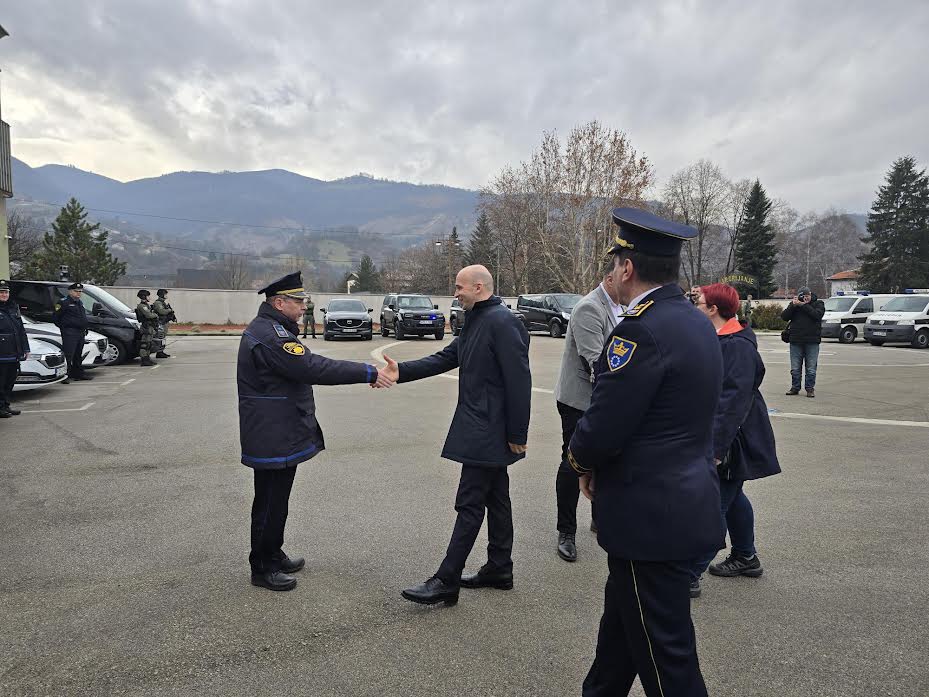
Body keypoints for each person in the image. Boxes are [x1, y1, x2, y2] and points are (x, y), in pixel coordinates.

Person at [567, 208, 724, 697]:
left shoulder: (638, 330)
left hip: (649, 519)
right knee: (617, 643)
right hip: (679, 506)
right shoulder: (695, 322)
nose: (612, 272)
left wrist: (580, 463)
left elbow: (605, 425)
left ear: (628, 268)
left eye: (615, 263)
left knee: (667, 664)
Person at [381, 265, 531, 606]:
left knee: (470, 503)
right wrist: (400, 371)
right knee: (497, 498)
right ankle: (499, 567)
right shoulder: (477, 319)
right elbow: (447, 357)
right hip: (480, 425)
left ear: (479, 287)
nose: (455, 292)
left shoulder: (504, 324)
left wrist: (517, 433)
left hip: (489, 431)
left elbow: (519, 382)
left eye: (460, 287)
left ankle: (446, 579)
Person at [237, 271, 394, 591]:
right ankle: (262, 566)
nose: (303, 305)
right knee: (269, 500)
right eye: (298, 301)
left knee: (277, 499)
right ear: (279, 303)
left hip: (277, 429)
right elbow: (311, 367)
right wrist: (368, 372)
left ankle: (273, 552)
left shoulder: (272, 328)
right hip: (272, 432)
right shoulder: (272, 336)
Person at [689, 283, 781, 598]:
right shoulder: (720, 338)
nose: (695, 306)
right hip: (724, 438)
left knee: (712, 507)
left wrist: (715, 449)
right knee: (733, 498)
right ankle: (745, 556)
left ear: (713, 309)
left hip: (732, 441)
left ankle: (688, 575)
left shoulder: (737, 346)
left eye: (699, 302)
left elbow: (732, 403)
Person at [552, 255, 623, 562]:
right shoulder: (589, 308)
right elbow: (596, 361)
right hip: (579, 400)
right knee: (573, 463)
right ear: (610, 279)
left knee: (604, 460)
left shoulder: (620, 307)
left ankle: (600, 517)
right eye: (625, 275)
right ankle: (566, 531)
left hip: (602, 399)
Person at [781, 285, 825, 398]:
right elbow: (784, 317)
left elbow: (817, 315)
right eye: (803, 296)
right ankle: (795, 387)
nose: (805, 298)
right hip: (796, 340)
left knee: (811, 368)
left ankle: (810, 389)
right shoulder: (795, 305)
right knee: (795, 367)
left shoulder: (818, 304)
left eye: (807, 296)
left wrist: (803, 305)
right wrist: (793, 306)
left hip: (812, 341)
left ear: (810, 295)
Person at [53, 282, 93, 382]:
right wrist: (65, 328)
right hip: (70, 332)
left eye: (80, 291)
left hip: (80, 332)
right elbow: (55, 317)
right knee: (68, 354)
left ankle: (78, 373)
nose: (79, 293)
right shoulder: (63, 302)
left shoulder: (79, 302)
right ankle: (65, 375)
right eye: (76, 291)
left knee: (78, 354)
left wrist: (84, 327)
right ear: (70, 292)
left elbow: (81, 317)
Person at [0, 279, 29, 417]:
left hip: (14, 353)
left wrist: (26, 348)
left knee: (10, 381)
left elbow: (21, 330)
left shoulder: (13, 307)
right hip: (1, 354)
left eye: (6, 292)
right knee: (1, 382)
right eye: (1, 292)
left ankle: (6, 405)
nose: (4, 294)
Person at [135, 290, 160, 367]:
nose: (149, 297)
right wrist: (155, 314)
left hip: (150, 327)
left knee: (148, 344)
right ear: (143, 297)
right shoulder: (142, 306)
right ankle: (144, 359)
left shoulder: (146, 305)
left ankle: (147, 359)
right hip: (146, 327)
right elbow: (149, 315)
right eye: (148, 296)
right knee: (145, 344)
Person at [152, 289, 176, 359]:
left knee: (163, 338)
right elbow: (161, 311)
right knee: (160, 337)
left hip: (164, 322)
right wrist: (169, 310)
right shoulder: (158, 303)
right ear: (162, 294)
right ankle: (159, 352)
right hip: (160, 323)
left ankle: (161, 351)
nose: (166, 295)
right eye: (165, 294)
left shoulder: (163, 303)